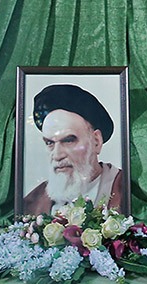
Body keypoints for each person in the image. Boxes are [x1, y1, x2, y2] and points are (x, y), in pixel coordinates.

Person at [22, 83, 125, 215]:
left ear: (96, 141)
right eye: (50, 143)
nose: (57, 155)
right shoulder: (33, 203)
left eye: (68, 140)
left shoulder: (125, 190)